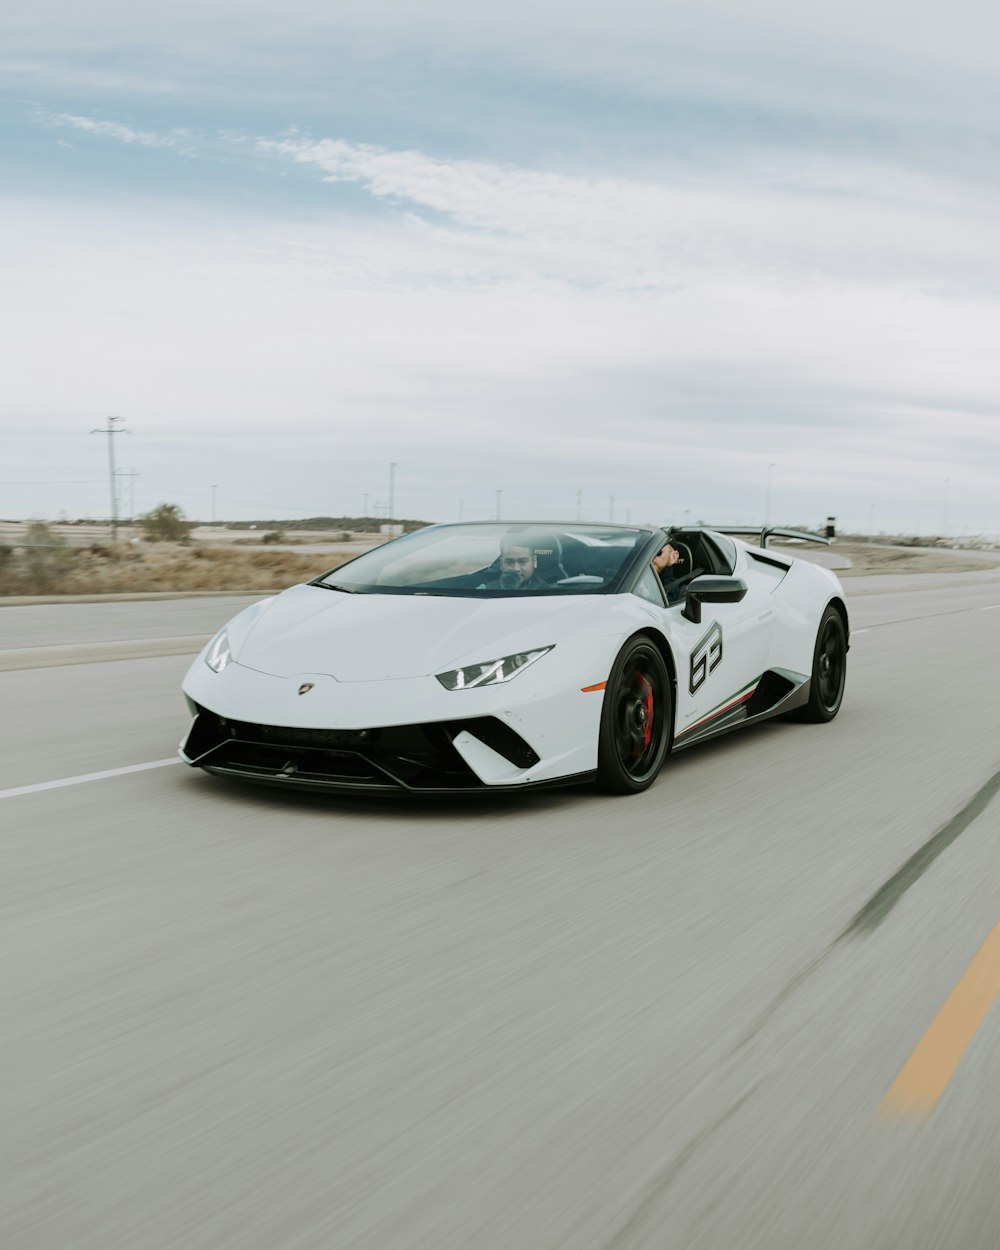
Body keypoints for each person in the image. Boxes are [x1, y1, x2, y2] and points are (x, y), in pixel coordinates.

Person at [482, 535, 549, 590]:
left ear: (534, 561)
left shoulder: (547, 593)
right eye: (509, 562)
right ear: (501, 563)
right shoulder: (485, 591)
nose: (516, 568)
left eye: (522, 561)